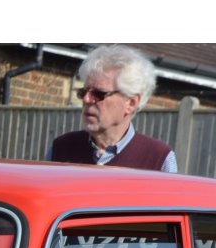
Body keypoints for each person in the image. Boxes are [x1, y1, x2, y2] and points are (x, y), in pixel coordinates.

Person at [47, 45, 177, 172]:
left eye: (98, 94)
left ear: (131, 103)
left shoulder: (159, 160)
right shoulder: (61, 149)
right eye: (83, 92)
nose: (86, 99)